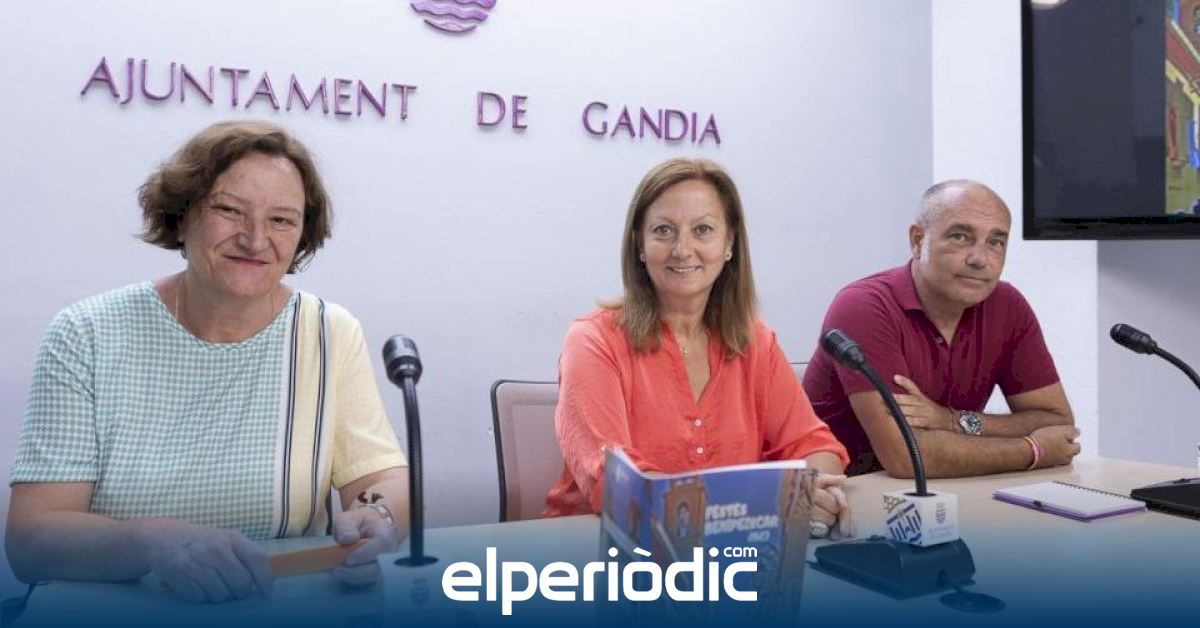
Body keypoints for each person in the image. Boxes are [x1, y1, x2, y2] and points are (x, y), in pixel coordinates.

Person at [5, 121, 409, 602]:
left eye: (281, 220)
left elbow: (382, 478)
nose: (255, 239)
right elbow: (33, 539)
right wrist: (155, 542)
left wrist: (378, 515)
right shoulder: (86, 333)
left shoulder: (328, 331)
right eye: (229, 210)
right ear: (181, 218)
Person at [543, 158, 853, 539]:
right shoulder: (593, 340)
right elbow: (620, 485)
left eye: (702, 230)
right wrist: (765, 502)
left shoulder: (756, 342)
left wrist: (814, 492)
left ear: (729, 243)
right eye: (663, 231)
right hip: (598, 548)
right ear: (640, 244)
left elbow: (814, 445)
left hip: (730, 550)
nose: (682, 249)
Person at [803, 179, 1080, 478]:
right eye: (960, 237)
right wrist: (1033, 450)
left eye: (995, 242)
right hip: (848, 494)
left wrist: (951, 421)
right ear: (917, 241)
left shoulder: (1007, 305)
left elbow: (1057, 423)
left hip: (951, 492)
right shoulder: (864, 306)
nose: (979, 259)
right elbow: (908, 456)